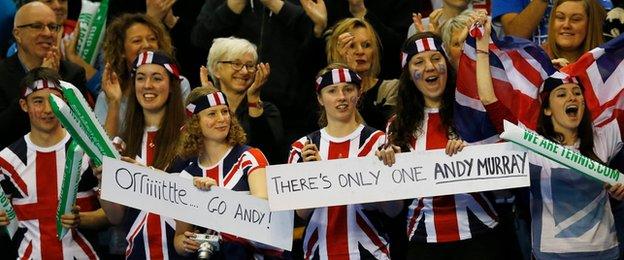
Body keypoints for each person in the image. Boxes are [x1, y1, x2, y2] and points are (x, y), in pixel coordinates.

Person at [475, 17, 624, 259]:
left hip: (605, 251)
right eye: (561, 94)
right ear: (546, 108)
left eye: (577, 93)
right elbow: (489, 99)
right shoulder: (530, 144)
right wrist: (482, 46)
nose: (572, 98)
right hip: (550, 255)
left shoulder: (605, 134)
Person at [382, 32, 503, 259]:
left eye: (436, 58)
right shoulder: (396, 125)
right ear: (408, 74)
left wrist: (470, 154)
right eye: (419, 62)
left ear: (447, 64)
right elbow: (393, 207)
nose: (430, 67)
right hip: (424, 240)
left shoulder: (472, 110)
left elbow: (503, 181)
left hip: (481, 236)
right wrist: (388, 169)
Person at [288, 63, 401, 259]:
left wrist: (386, 173)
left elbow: (393, 210)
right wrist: (312, 173)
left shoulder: (380, 142)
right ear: (320, 99)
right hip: (318, 253)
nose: (341, 97)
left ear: (358, 94)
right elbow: (301, 214)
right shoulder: (302, 147)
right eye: (332, 91)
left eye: (348, 89)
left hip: (371, 253)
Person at [0, 67, 108, 259]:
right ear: (24, 105)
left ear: (65, 102)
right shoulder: (7, 161)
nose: (48, 110)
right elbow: (7, 219)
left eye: (54, 100)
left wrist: (83, 219)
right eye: (38, 101)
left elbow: (114, 216)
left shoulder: (88, 152)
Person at [96, 50, 188, 259]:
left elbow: (197, 198)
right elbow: (115, 216)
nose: (147, 85)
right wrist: (105, 182)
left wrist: (145, 176)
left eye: (157, 78)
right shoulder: (121, 144)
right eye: (140, 78)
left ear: (173, 86)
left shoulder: (191, 139)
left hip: (181, 252)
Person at [173, 86, 284, 259]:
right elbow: (179, 238)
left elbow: (263, 211)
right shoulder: (187, 175)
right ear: (195, 123)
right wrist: (186, 244)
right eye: (212, 114)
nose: (222, 119)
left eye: (225, 112)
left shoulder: (249, 157)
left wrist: (219, 196)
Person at [0, 1, 87, 150]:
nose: (47, 33)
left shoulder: (73, 74)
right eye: (37, 26)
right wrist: (36, 84)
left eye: (53, 27)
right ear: (17, 34)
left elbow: (79, 131)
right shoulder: (1, 74)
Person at [96, 13, 189, 138]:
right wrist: (114, 102)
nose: (146, 45)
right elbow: (102, 150)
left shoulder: (179, 83)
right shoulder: (107, 96)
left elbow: (186, 135)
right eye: (137, 41)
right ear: (121, 50)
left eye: (152, 39)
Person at [204, 37, 286, 164]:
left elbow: (269, 154)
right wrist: (208, 103)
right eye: (236, 64)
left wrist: (253, 99)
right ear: (216, 69)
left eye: (249, 66)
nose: (244, 71)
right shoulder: (202, 111)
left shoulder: (268, 110)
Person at [326, 18, 398, 131]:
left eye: (366, 45)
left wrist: (352, 78)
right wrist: (346, 74)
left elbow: (381, 131)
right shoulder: (326, 93)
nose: (360, 51)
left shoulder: (391, 88)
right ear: (337, 52)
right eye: (351, 45)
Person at [544, 0, 606, 67]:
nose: (566, 25)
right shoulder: (536, 60)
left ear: (591, 25)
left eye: (575, 19)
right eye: (560, 17)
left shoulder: (609, 65)